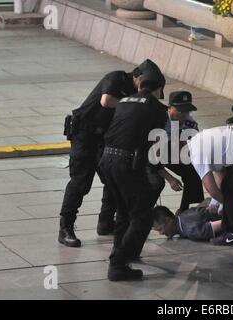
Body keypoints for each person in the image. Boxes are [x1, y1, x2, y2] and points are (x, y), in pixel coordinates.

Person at [58, 59, 164, 248]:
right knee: (80, 182)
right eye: (144, 84)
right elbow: (106, 101)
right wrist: (133, 103)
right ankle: (65, 227)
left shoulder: (136, 95)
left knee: (112, 178)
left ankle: (105, 222)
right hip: (84, 135)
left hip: (103, 138)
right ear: (137, 77)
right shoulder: (116, 78)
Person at [98, 64, 167, 281]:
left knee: (123, 212)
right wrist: (157, 172)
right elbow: (154, 144)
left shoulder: (125, 100)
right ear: (159, 89)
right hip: (126, 164)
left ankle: (121, 255)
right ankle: (118, 263)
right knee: (142, 218)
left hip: (106, 160)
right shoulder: (157, 108)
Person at [148, 91, 204, 215]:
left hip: (172, 153)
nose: (184, 114)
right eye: (180, 110)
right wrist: (170, 179)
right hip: (147, 156)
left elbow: (194, 148)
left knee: (193, 171)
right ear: (169, 108)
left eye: (187, 111)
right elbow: (152, 157)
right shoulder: (158, 121)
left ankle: (185, 210)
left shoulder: (189, 123)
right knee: (156, 182)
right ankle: (143, 213)